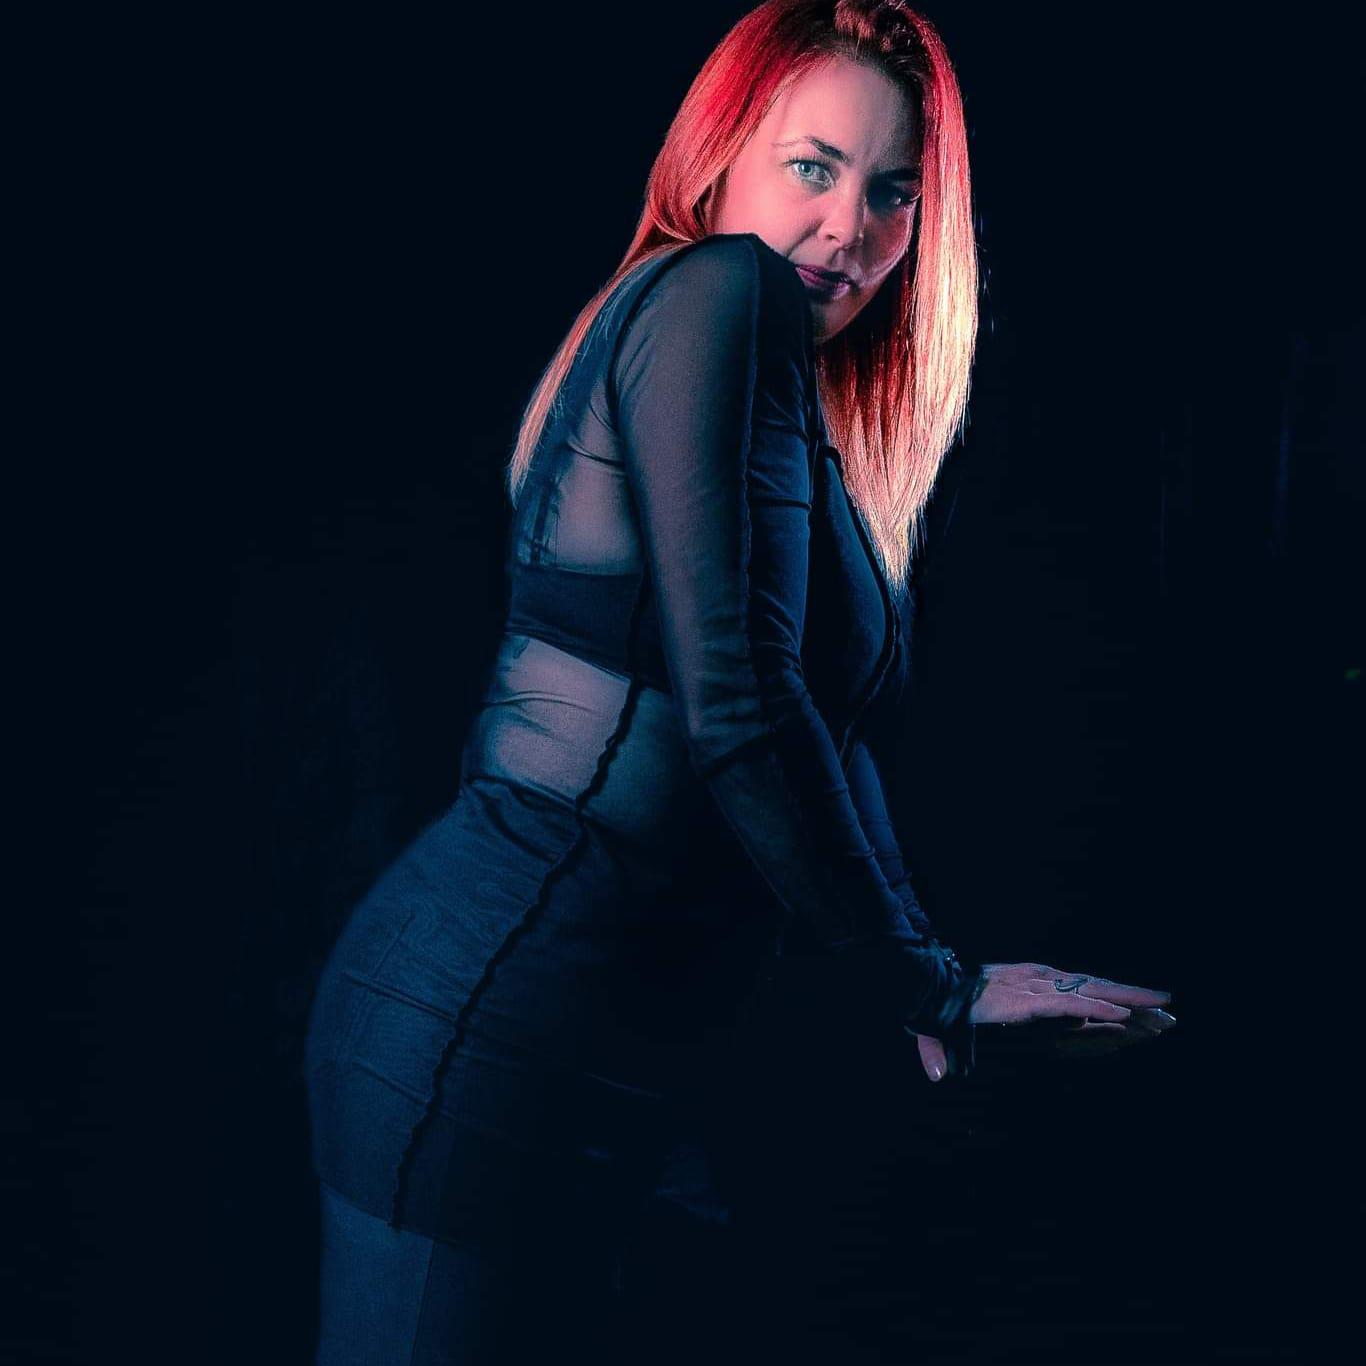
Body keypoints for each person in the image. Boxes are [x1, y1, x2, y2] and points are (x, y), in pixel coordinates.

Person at [303, 2, 1176, 1361]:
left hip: (616, 1046)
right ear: (716, 161)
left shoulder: (783, 396)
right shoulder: (720, 291)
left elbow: (823, 732)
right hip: (489, 1017)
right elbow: (743, 698)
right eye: (812, 167)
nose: (848, 228)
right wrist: (923, 981)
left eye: (894, 192)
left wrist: (936, 978)